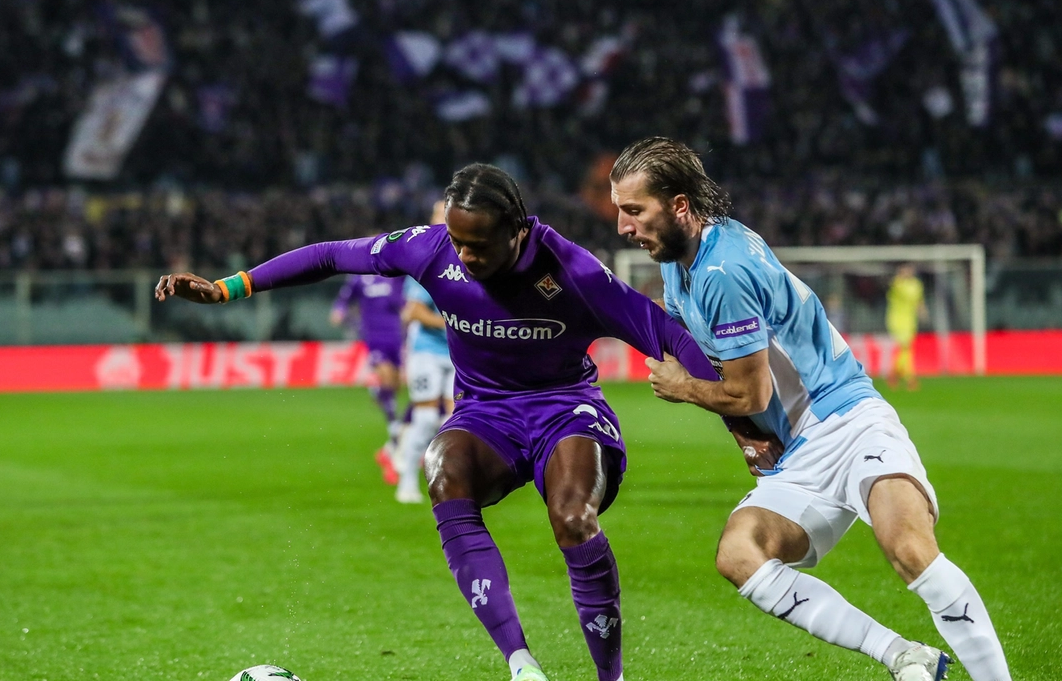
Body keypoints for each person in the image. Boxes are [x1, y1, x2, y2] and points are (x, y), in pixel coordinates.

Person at [155, 163, 737, 681]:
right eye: (458, 241)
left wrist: (731, 410)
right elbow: (331, 255)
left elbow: (662, 332)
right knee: (443, 475)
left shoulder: (572, 271)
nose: (465, 256)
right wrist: (231, 287)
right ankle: (522, 665)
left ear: (519, 230)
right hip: (486, 413)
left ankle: (610, 677)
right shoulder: (430, 249)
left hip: (568, 408)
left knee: (571, 518)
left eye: (480, 245)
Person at [610, 137, 1011, 681]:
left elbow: (752, 393)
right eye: (619, 211)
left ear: (679, 206)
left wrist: (683, 388)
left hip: (847, 419)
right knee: (740, 553)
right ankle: (904, 656)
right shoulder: (687, 266)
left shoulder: (719, 272)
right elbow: (736, 382)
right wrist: (746, 433)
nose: (623, 227)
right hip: (800, 450)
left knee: (910, 549)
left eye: (634, 211)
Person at [395, 201, 455, 504]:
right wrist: (453, 324)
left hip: (457, 355)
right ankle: (406, 481)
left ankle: (447, 482)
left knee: (455, 420)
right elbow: (413, 311)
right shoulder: (425, 261)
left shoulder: (467, 260)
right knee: (426, 419)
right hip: (426, 353)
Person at [330, 266, 406, 483]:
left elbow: (404, 299)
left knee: (395, 384)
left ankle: (379, 394)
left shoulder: (396, 276)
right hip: (375, 337)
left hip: (396, 336)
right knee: (387, 379)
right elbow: (345, 298)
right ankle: (394, 431)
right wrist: (340, 310)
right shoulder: (360, 278)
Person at [886, 264, 928, 391]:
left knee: (906, 348)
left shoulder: (916, 285)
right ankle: (910, 377)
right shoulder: (897, 283)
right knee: (905, 346)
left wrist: (922, 311)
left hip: (910, 320)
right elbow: (892, 286)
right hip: (896, 318)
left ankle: (895, 373)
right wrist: (900, 277)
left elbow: (919, 301)